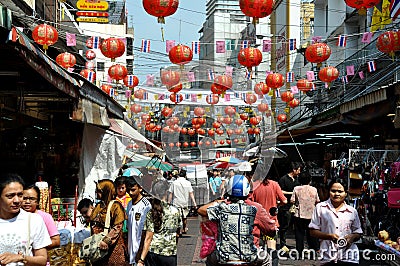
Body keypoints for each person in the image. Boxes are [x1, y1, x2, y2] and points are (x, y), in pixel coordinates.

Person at [198, 174, 270, 266]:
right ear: (247, 190)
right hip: (249, 256)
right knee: (267, 259)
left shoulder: (222, 208)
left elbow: (201, 210)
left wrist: (220, 201)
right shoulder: (254, 209)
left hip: (223, 257)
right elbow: (270, 230)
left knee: (209, 260)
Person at [0, 173, 51, 266]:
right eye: (10, 196)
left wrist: (21, 258)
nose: (17, 200)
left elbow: (42, 260)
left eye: (20, 195)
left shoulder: (33, 220)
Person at [309, 178, 363, 265]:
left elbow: (358, 233)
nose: (336, 194)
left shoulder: (352, 211)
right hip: (327, 256)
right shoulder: (320, 208)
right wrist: (329, 236)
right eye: (333, 191)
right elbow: (312, 231)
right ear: (328, 191)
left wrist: (351, 237)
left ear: (346, 193)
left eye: (340, 191)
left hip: (348, 256)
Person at [137, 179, 182, 266]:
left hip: (154, 252)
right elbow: (178, 233)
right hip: (170, 253)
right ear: (166, 192)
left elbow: (148, 238)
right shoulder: (176, 211)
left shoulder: (151, 212)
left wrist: (141, 260)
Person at [90, 179, 129, 266]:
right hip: (98, 248)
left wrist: (106, 241)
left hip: (113, 249)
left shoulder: (116, 206)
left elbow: (118, 227)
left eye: (99, 191)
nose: (97, 193)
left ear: (107, 191)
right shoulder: (99, 206)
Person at [22, 184, 60, 266]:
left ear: (38, 202)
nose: (27, 202)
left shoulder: (45, 217)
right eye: (24, 198)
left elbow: (56, 241)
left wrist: (36, 243)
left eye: (32, 199)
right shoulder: (16, 217)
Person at [290, 172, 320, 255]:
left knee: (299, 234)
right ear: (310, 180)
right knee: (311, 234)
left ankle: (299, 252)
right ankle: (313, 251)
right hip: (311, 214)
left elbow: (292, 200)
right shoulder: (314, 189)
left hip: (299, 214)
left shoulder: (296, 188)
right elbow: (317, 201)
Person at [126, 177, 151, 265]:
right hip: (130, 251)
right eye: (128, 190)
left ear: (140, 188)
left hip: (141, 252)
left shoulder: (146, 205)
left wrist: (141, 256)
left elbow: (147, 233)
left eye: (133, 190)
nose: (130, 193)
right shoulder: (129, 204)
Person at [277, 162, 301, 251]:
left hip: (295, 206)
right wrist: (292, 193)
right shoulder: (283, 179)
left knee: (296, 226)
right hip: (285, 206)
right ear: (294, 170)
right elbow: (280, 191)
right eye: (298, 170)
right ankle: (283, 244)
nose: (299, 172)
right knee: (284, 226)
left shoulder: (297, 180)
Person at [168, 169, 197, 235]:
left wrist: (168, 202)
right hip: (184, 202)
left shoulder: (174, 182)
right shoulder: (188, 183)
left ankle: (178, 231)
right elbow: (191, 193)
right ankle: (184, 228)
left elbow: (170, 193)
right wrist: (194, 203)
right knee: (184, 217)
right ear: (185, 175)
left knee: (177, 217)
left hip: (176, 202)